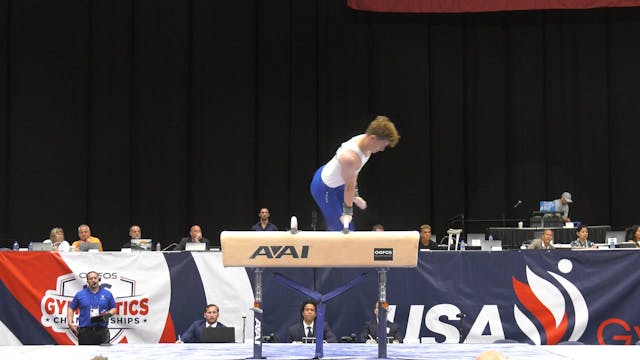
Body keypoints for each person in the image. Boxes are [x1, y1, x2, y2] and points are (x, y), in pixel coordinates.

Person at [310, 116, 400, 231]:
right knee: (342, 228)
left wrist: (355, 195)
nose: (382, 149)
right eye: (383, 145)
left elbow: (354, 175)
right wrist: (347, 212)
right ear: (373, 138)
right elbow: (349, 185)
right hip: (324, 188)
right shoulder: (350, 157)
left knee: (348, 226)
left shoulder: (367, 145)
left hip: (339, 180)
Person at [67, 271, 117, 345]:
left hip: (102, 332)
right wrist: (70, 323)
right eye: (90, 278)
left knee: (103, 355)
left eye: (95, 278)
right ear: (87, 281)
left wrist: (107, 315)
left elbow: (114, 308)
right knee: (85, 355)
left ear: (98, 279)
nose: (93, 280)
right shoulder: (80, 294)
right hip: (85, 332)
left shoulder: (107, 294)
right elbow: (71, 308)